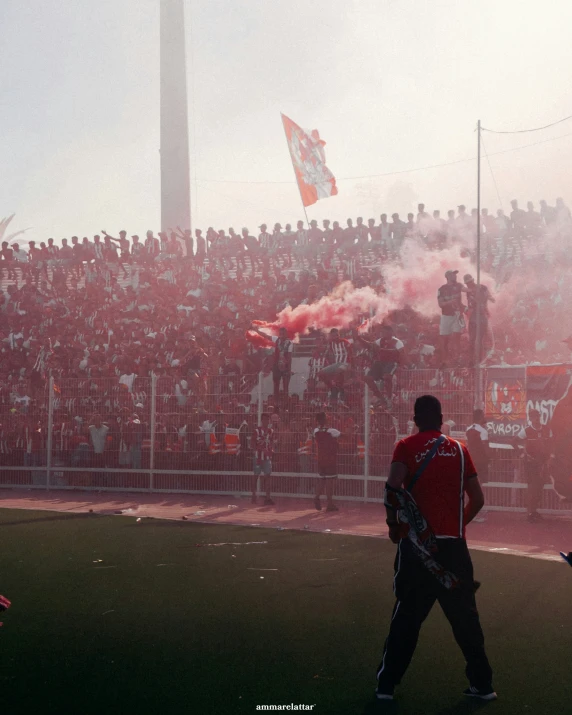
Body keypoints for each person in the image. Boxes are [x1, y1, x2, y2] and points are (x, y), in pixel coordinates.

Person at [377, 395, 495, 702]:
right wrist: (457, 528)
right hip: (454, 549)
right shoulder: (459, 449)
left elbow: (392, 487)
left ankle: (386, 687)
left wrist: (393, 525)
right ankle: (483, 686)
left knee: (406, 619)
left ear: (415, 419)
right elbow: (478, 499)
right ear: (442, 418)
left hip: (417, 548)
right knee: (466, 620)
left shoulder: (405, 446)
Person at [517, 408, 552, 521]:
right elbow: (513, 442)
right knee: (532, 487)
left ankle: (534, 511)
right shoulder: (526, 431)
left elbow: (552, 444)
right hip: (531, 464)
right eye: (534, 417)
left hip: (542, 463)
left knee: (539, 487)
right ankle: (530, 513)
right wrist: (521, 453)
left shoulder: (547, 429)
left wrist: (549, 457)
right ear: (530, 419)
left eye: (538, 416)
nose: (537, 419)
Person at [357, 325, 404, 407]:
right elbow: (371, 346)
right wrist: (360, 339)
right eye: (383, 332)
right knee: (367, 378)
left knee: (387, 377)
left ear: (391, 332)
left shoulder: (397, 342)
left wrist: (384, 350)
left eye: (385, 332)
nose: (383, 333)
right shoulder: (380, 341)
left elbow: (400, 353)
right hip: (380, 363)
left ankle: (389, 397)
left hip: (391, 362)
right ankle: (380, 397)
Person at [463, 274, 495, 362]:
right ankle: (472, 360)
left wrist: (488, 300)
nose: (469, 284)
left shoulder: (483, 288)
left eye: (470, 282)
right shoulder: (469, 291)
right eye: (467, 283)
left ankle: (479, 360)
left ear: (473, 280)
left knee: (479, 339)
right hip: (474, 316)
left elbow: (490, 297)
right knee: (472, 339)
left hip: (482, 316)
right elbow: (470, 304)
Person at [437, 270, 466, 366]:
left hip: (457, 315)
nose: (455, 276)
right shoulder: (442, 289)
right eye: (453, 274)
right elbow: (440, 304)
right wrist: (450, 302)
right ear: (448, 276)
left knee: (457, 338)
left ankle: (458, 359)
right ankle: (444, 360)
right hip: (446, 316)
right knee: (444, 339)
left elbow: (466, 289)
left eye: (455, 274)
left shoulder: (459, 285)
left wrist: (474, 288)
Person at [313, 412, 340, 512]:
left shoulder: (315, 431)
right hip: (330, 459)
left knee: (322, 480)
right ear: (325, 419)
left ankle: (317, 497)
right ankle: (330, 503)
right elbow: (342, 436)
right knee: (330, 481)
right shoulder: (332, 431)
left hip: (320, 458)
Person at [251, 413, 276, 506]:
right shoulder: (257, 431)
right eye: (264, 420)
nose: (266, 421)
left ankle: (268, 498)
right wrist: (256, 451)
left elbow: (272, 442)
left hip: (267, 457)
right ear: (262, 420)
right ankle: (253, 495)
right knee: (256, 476)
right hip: (258, 457)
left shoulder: (271, 431)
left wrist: (272, 450)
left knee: (268, 476)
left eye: (267, 420)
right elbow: (252, 442)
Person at [466, 409, 491, 482]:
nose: (484, 418)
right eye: (483, 416)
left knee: (472, 480)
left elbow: (467, 444)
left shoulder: (468, 429)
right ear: (480, 417)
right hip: (481, 461)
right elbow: (485, 448)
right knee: (483, 481)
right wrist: (489, 458)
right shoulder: (483, 431)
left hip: (471, 460)